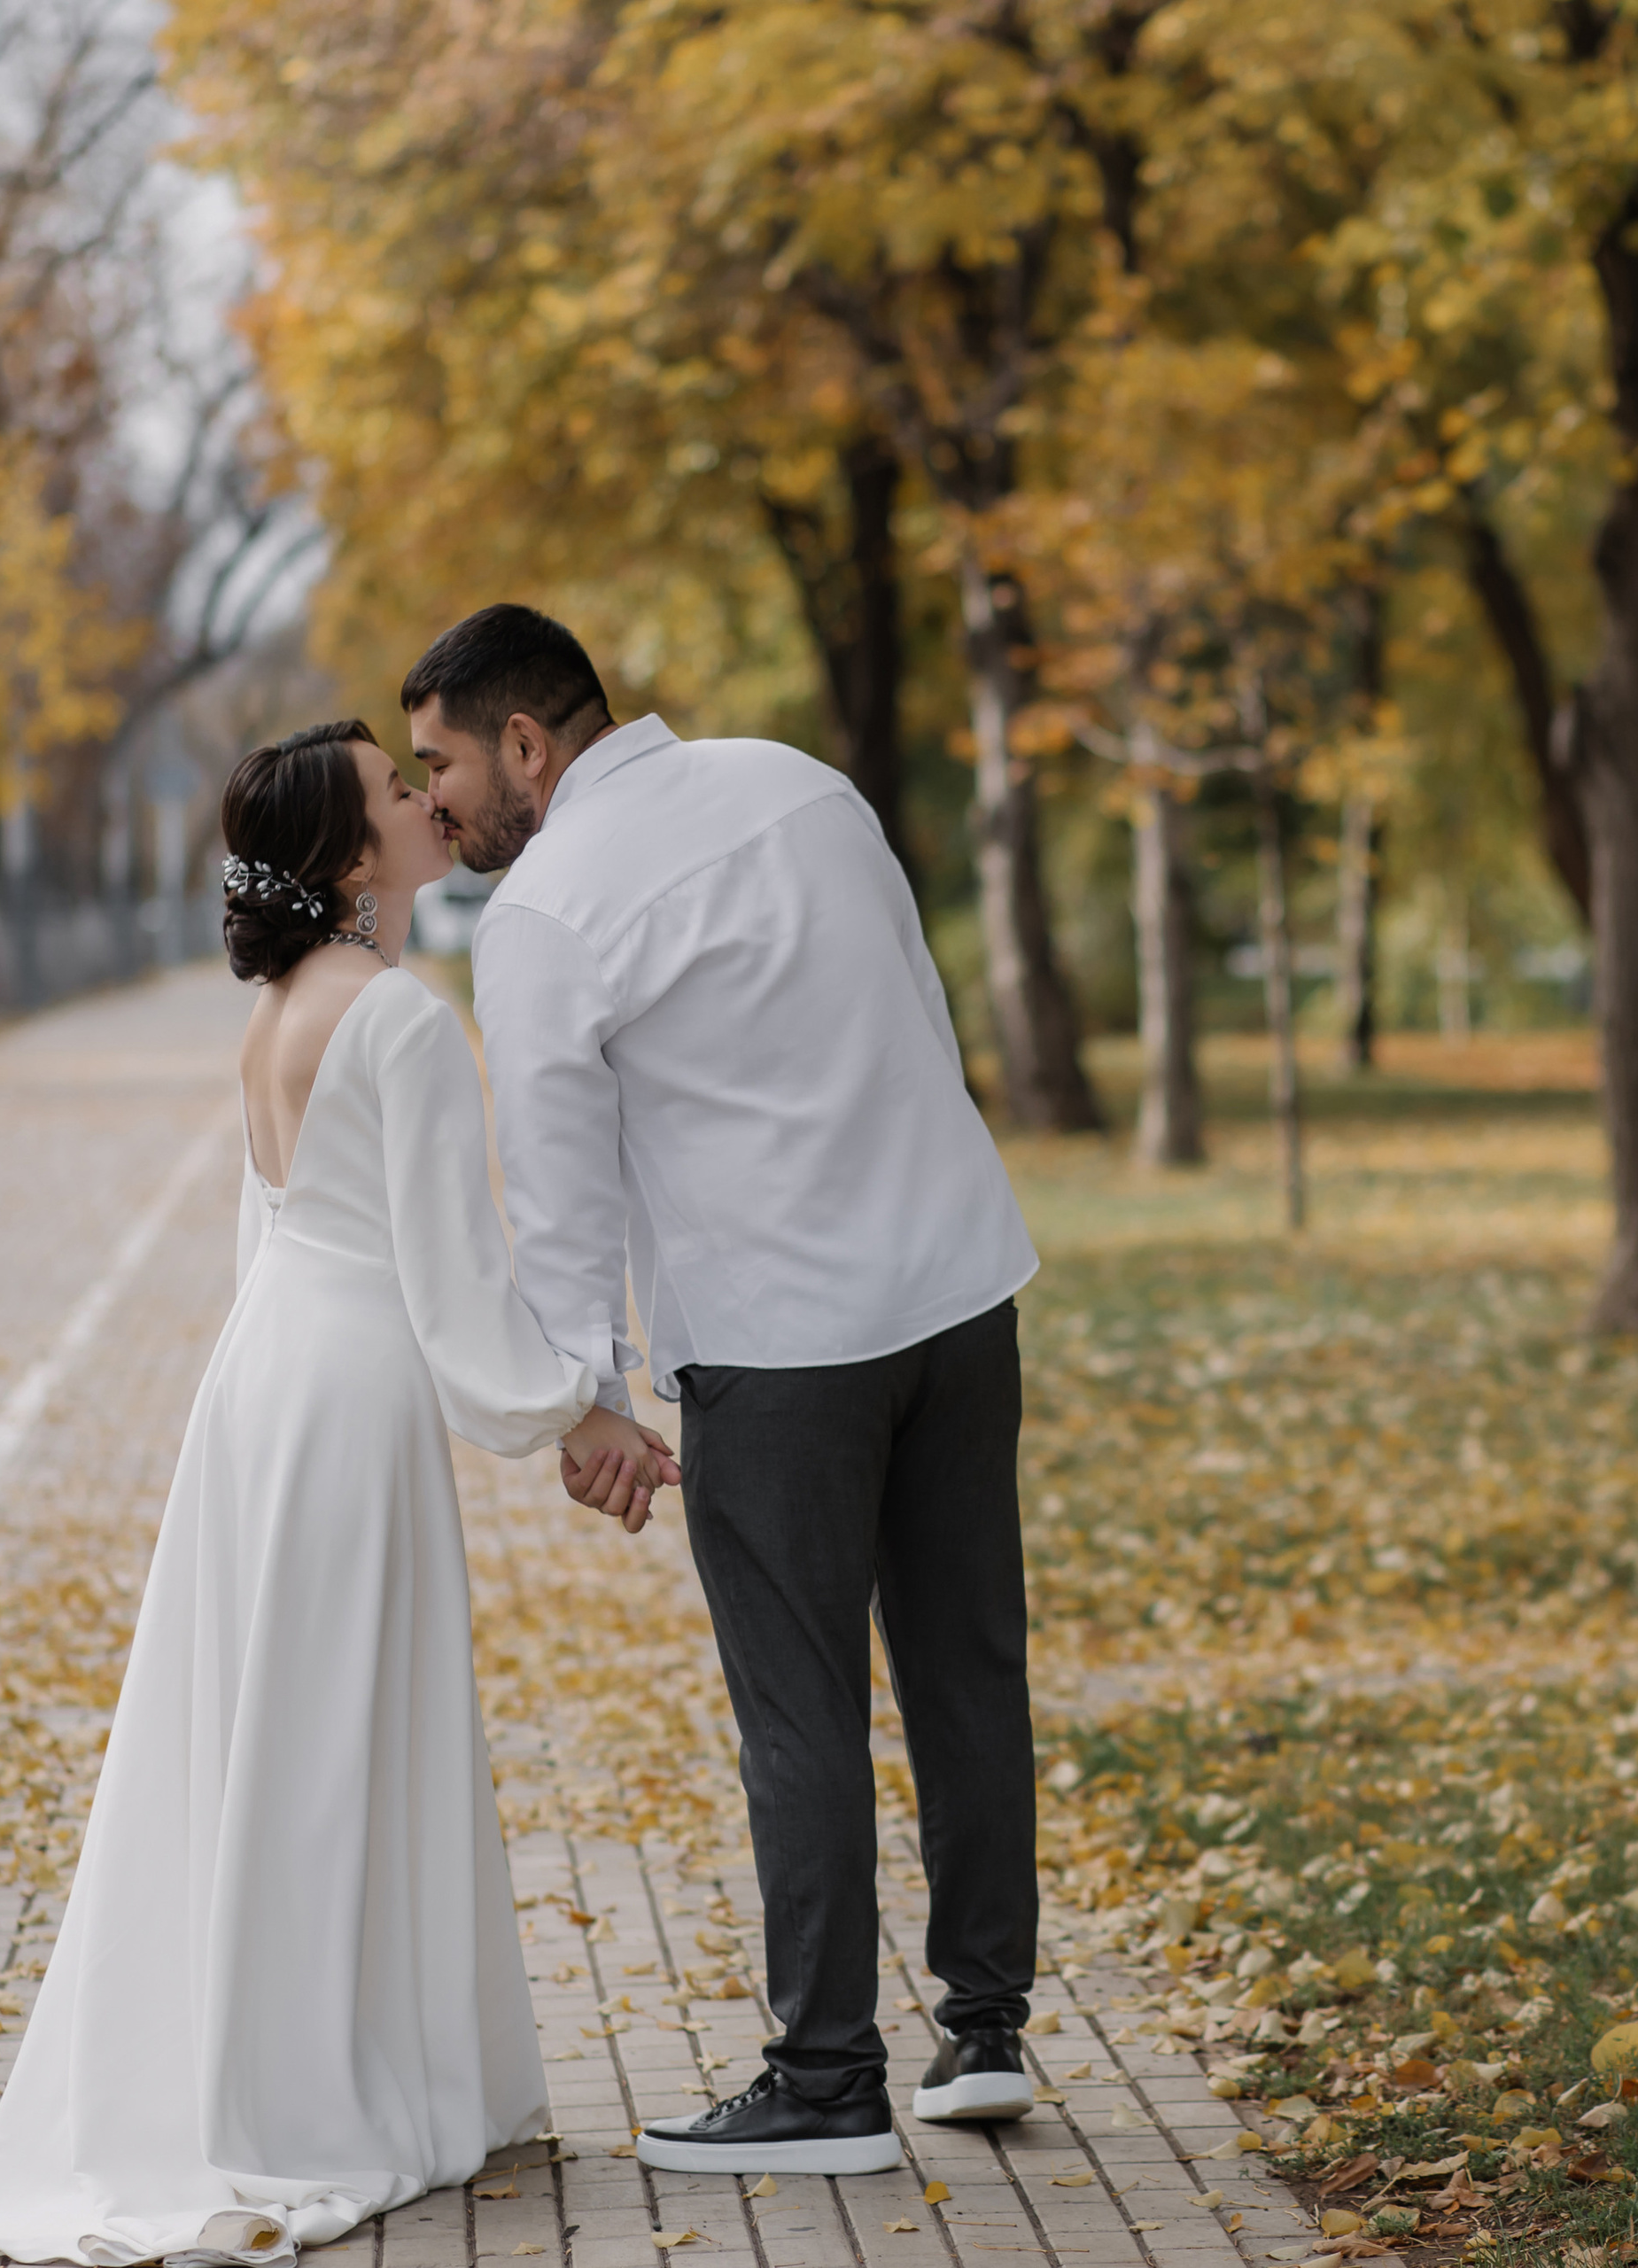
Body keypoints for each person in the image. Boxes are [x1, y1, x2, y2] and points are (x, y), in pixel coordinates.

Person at [0, 722, 670, 2264]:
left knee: (285, 1725)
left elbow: (279, 1242)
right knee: (339, 1733)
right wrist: (582, 1414)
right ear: (346, 857)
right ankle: (330, 2084)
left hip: (260, 1389)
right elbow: (455, 1293)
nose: (424, 800)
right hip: (353, 1393)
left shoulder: (273, 1013)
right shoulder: (395, 1017)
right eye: (399, 792)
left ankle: (288, 2052)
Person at [405, 604, 1044, 2174]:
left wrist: (584, 1403)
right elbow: (920, 1016)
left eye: (443, 763)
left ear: (528, 744)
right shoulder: (804, 783)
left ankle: (827, 2076)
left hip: (780, 1344)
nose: (434, 803)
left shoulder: (548, 907)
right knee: (969, 1662)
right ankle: (986, 2029)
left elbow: (558, 1188)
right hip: (958, 1293)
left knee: (799, 1708)